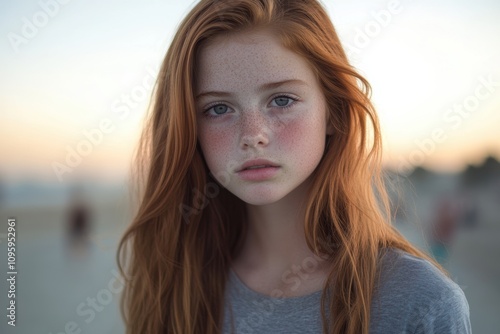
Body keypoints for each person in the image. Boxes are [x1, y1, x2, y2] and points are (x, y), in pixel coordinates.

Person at [116, 0, 471, 333]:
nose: (252, 135)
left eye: (281, 100)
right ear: (190, 127)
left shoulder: (423, 302)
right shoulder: (173, 281)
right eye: (218, 109)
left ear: (333, 112)